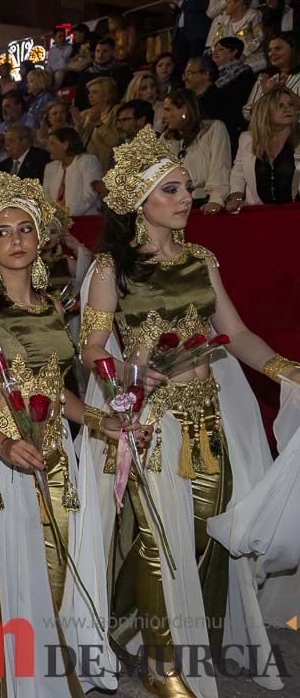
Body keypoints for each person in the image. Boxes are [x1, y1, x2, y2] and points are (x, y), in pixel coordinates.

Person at [80, 127, 292, 697]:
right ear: (139, 204)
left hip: (210, 419)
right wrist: (126, 374)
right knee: (158, 537)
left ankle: (168, 635)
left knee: (208, 533)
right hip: (152, 421)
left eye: (186, 189)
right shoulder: (112, 269)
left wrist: (284, 369)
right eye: (170, 191)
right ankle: (160, 663)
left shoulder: (201, 259)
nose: (186, 199)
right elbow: (93, 348)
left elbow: (238, 334)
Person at [0, 170, 120, 697]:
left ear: (41, 238)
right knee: (5, 585)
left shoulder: (55, 307)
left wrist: (105, 421)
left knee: (56, 578)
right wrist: (3, 444)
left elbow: (58, 394)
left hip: (56, 457)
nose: (15, 239)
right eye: (2, 231)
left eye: (25, 229)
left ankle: (50, 681)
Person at [228, 85, 300, 207]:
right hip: (260, 212)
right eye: (280, 105)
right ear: (266, 111)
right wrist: (236, 198)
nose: (288, 109)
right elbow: (238, 173)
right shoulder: (247, 139)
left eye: (290, 104)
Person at [160, 88, 231, 214]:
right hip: (174, 206)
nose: (163, 116)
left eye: (168, 110)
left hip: (204, 204)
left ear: (184, 110)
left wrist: (216, 200)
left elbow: (220, 167)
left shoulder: (213, 129)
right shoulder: (166, 138)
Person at [164, 0, 216, 77]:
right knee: (179, 68)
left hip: (196, 33)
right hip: (180, 34)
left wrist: (176, 1)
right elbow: (179, 8)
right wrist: (172, 3)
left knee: (195, 66)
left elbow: (201, 5)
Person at [43, 126, 103, 215]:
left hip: (85, 220)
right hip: (57, 221)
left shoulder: (88, 161)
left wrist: (66, 212)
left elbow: (90, 195)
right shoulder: (50, 167)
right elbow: (45, 197)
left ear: (65, 145)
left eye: (52, 144)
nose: (48, 148)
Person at [206, 0, 265, 73]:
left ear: (239, 3)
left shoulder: (254, 16)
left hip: (253, 63)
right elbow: (216, 42)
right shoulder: (225, 22)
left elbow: (259, 37)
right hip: (230, 66)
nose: (226, 6)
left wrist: (244, 54)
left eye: (229, 2)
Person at [242, 32, 300, 121]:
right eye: (269, 50)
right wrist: (267, 96)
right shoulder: (265, 77)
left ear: (294, 49)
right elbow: (247, 113)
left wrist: (280, 89)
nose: (272, 53)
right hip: (266, 132)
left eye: (278, 48)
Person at [73, 38, 133, 111]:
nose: (100, 55)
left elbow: (128, 94)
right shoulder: (87, 73)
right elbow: (80, 99)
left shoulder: (123, 70)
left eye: (105, 51)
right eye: (97, 51)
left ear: (113, 52)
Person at [77, 76, 122, 170]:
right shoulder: (86, 114)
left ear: (107, 94)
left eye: (95, 92)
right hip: (88, 168)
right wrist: (78, 126)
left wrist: (98, 123)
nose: (90, 95)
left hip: (108, 168)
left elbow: (116, 142)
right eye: (89, 92)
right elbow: (80, 144)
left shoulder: (117, 111)